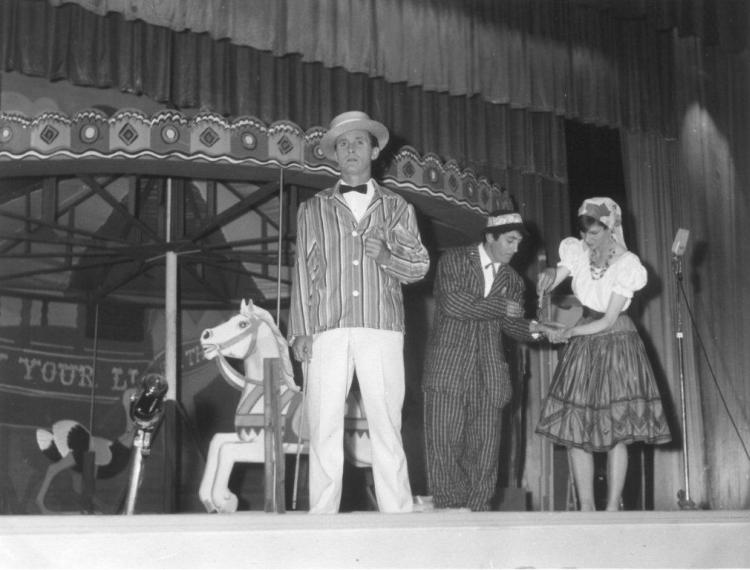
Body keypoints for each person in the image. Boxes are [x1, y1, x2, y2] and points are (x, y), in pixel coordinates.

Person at [288, 110, 430, 514]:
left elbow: (419, 266)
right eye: (343, 144)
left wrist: (386, 256)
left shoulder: (398, 207)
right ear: (334, 154)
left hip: (382, 327)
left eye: (358, 142)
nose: (351, 150)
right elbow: (304, 273)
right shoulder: (312, 209)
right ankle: (321, 517)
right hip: (326, 330)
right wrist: (300, 330)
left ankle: (398, 514)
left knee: (386, 424)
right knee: (323, 425)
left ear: (374, 150)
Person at [535, 197, 671, 511]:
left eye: (594, 233)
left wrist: (569, 332)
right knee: (575, 427)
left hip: (614, 339)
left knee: (617, 429)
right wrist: (548, 275)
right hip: (585, 336)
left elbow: (608, 320)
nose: (587, 239)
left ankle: (611, 509)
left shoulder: (627, 264)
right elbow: (559, 272)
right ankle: (586, 508)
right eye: (583, 233)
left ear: (610, 228)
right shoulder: (579, 251)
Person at [422, 210, 556, 512]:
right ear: (490, 237)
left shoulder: (514, 281)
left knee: (485, 452)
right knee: (445, 446)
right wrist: (501, 306)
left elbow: (512, 324)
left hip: (490, 376)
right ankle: (450, 511)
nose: (515, 248)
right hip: (448, 371)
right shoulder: (454, 260)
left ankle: (479, 513)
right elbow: (453, 303)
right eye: (510, 241)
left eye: (518, 243)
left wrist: (537, 330)